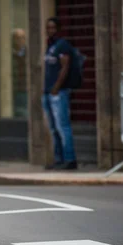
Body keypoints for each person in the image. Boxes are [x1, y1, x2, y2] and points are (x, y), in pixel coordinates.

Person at [42, 17, 77, 170]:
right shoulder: (50, 46)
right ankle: (59, 159)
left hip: (58, 93)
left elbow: (65, 67)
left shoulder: (62, 45)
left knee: (62, 126)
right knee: (53, 128)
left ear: (58, 29)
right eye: (48, 28)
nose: (50, 31)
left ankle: (70, 159)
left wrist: (56, 87)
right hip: (48, 92)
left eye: (53, 28)